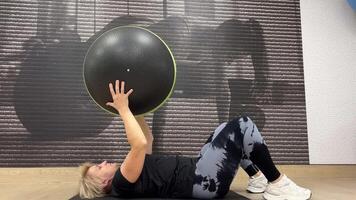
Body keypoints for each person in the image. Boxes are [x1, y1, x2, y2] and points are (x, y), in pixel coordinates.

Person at [78, 80, 311, 200]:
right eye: (98, 168)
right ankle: (277, 184)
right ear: (102, 184)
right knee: (243, 125)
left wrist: (135, 109)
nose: (104, 162)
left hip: (198, 172)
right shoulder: (120, 182)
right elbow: (137, 144)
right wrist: (123, 110)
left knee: (223, 129)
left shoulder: (129, 174)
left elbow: (146, 138)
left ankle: (257, 178)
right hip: (203, 180)